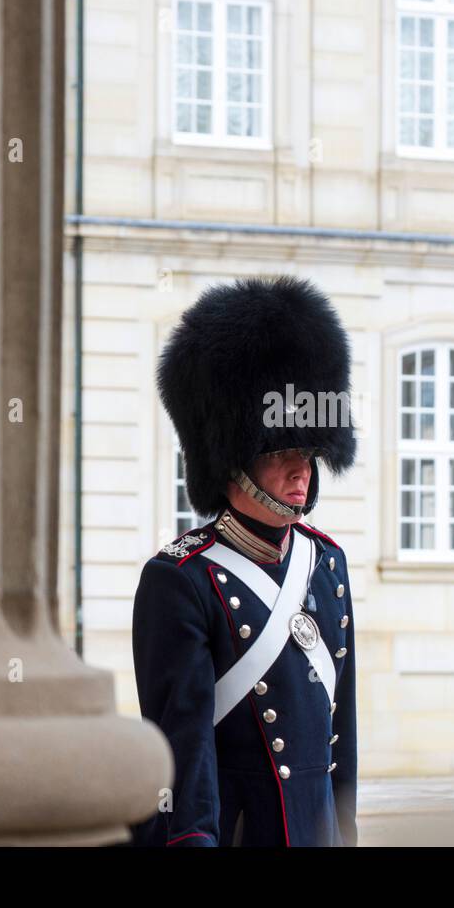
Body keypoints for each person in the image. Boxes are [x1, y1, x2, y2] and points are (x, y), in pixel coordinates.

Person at [128, 275, 359, 847]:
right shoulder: (180, 581)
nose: (301, 469)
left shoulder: (326, 564)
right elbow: (185, 753)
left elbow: (340, 744)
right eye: (280, 452)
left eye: (309, 451)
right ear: (231, 460)